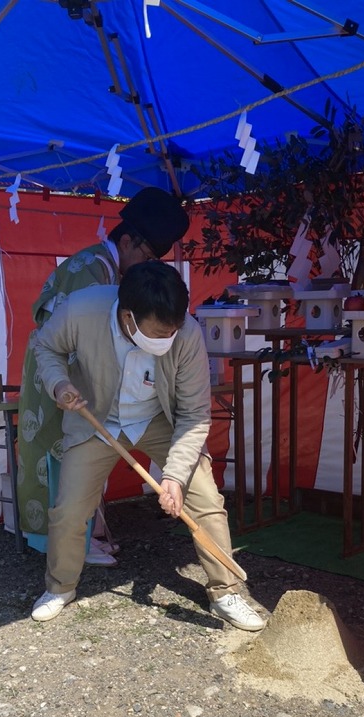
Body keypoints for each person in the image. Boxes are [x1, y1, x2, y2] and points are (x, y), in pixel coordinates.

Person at [29, 260, 265, 632]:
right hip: (98, 416)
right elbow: (46, 347)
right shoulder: (81, 309)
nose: (168, 338)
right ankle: (60, 586)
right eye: (160, 332)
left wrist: (173, 476)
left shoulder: (187, 334)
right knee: (70, 508)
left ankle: (227, 591)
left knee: (204, 500)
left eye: (174, 329)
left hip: (161, 419)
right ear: (128, 317)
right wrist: (59, 384)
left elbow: (194, 415)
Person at [17, 187, 191, 562]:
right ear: (126, 241)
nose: (145, 266)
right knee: (68, 450)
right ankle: (75, 544)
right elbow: (83, 340)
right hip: (61, 375)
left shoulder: (103, 266)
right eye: (145, 256)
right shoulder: (92, 272)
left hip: (70, 372)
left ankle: (87, 534)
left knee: (83, 448)